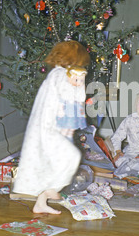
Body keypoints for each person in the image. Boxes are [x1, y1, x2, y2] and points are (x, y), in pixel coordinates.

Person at [12, 40, 90, 214]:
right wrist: (80, 83)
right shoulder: (62, 75)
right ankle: (51, 188)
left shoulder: (55, 74)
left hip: (49, 128)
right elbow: (74, 97)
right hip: (50, 130)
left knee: (51, 162)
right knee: (72, 156)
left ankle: (41, 202)